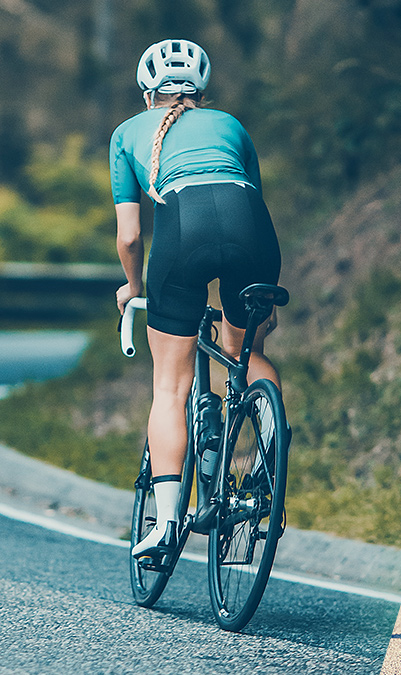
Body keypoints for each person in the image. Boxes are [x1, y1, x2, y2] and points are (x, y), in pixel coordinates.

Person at [110, 39, 282, 559]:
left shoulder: (126, 134)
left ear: (147, 93)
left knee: (170, 384)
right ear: (203, 92)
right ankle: (265, 465)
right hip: (251, 230)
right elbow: (247, 196)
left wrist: (135, 288)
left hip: (182, 233)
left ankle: (164, 526)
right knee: (244, 352)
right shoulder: (232, 125)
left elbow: (130, 237)